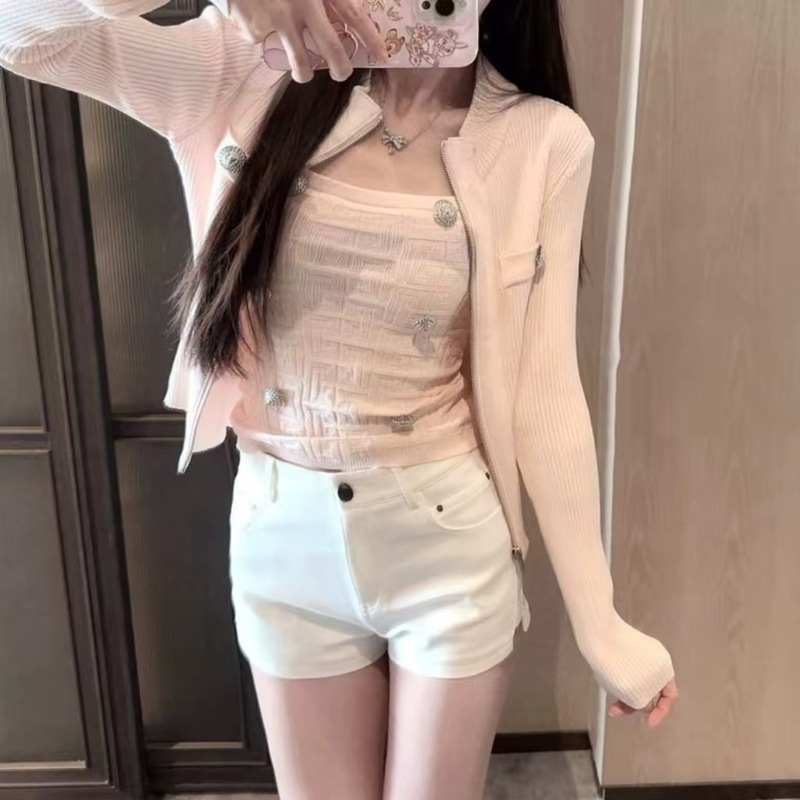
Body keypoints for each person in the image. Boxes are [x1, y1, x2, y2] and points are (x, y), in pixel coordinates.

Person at [0, 0, 679, 798]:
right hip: (283, 542)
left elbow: (544, 386)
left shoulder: (542, 139)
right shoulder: (242, 66)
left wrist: (599, 620)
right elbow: (22, 32)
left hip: (447, 544)